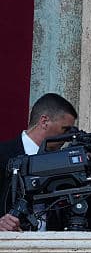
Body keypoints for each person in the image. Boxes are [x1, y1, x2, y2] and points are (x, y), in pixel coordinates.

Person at [0, 93, 79, 232]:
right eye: (65, 129)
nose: (67, 138)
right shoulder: (3, 154)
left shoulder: (62, 162)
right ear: (44, 121)